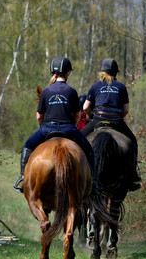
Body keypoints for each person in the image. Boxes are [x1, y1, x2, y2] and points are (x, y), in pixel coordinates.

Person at [13, 56, 95, 193]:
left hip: (47, 128)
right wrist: (73, 126)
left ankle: (22, 178)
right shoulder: (72, 91)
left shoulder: (46, 91)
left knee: (27, 146)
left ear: (53, 72)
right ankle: (94, 181)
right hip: (69, 129)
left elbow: (39, 116)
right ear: (67, 73)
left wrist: (42, 126)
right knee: (89, 150)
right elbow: (77, 115)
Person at [82, 58, 142, 191]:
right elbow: (126, 110)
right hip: (116, 120)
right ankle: (133, 174)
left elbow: (85, 107)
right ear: (115, 72)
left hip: (98, 118)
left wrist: (92, 116)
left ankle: (78, 171)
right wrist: (119, 118)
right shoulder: (121, 86)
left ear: (102, 72)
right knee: (132, 141)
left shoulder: (95, 86)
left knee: (78, 139)